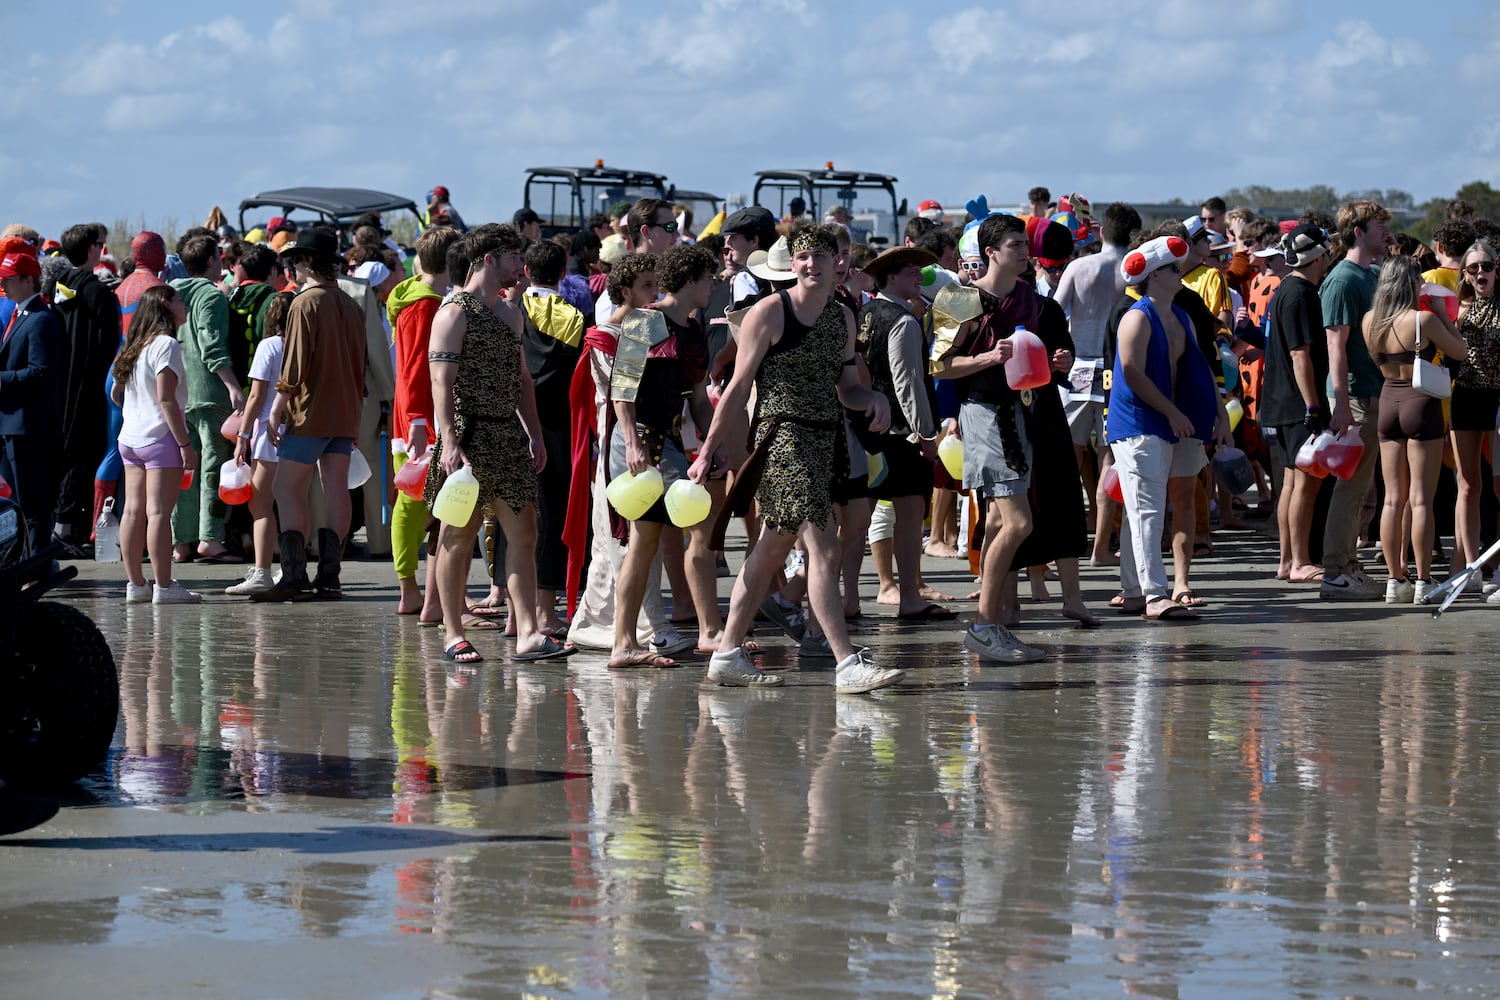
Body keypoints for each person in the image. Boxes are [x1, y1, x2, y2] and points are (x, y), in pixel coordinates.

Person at [691, 224, 903, 693]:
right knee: (825, 547)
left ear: (837, 263)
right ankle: (847, 663)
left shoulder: (842, 318)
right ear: (793, 263)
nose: (811, 265)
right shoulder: (769, 312)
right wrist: (709, 449)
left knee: (769, 550)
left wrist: (873, 398)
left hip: (824, 437)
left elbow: (846, 386)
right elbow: (738, 388)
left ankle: (727, 654)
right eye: (802, 257)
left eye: (820, 257)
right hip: (782, 437)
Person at [425, 224, 572, 665]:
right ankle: (453, 632)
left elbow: (523, 380)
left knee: (524, 531)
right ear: (489, 259)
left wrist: (535, 432)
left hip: (507, 432)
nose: (520, 266)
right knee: (458, 535)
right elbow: (440, 381)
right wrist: (449, 441)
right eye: (513, 257)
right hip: (468, 435)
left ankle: (528, 631)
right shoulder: (453, 313)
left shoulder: (511, 312)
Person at [932, 214, 1045, 663]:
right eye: (1016, 244)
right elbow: (940, 365)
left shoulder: (1026, 296)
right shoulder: (959, 298)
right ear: (991, 252)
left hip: (1018, 411)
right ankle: (982, 625)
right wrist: (986, 358)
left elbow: (1024, 361)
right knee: (1019, 523)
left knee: (999, 522)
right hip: (982, 413)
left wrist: (1049, 363)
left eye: (1025, 243)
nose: (1024, 250)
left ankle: (992, 623)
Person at [605, 245, 721, 667]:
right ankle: (705, 631)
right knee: (673, 531)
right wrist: (633, 443)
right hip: (639, 441)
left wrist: (712, 443)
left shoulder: (693, 329)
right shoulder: (643, 320)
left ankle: (627, 643)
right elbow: (622, 387)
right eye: (709, 278)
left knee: (647, 542)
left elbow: (699, 400)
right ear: (690, 280)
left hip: (667, 440)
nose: (714, 285)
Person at [1106, 235, 1223, 621]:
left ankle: (1134, 590)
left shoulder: (1181, 315)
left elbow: (1201, 367)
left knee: (1141, 508)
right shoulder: (1136, 316)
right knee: (1146, 510)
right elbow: (1132, 373)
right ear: (1154, 276)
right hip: (1140, 423)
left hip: (1172, 420)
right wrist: (1171, 411)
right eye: (1173, 268)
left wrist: (1219, 413)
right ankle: (1156, 594)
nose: (1181, 272)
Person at [253, 227, 366, 602]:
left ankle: (294, 574)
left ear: (306, 263)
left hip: (310, 411)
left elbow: (295, 363)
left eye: (296, 260)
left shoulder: (305, 303)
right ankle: (329, 576)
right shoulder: (351, 305)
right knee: (337, 487)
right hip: (346, 408)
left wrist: (277, 408)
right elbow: (360, 363)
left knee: (286, 487)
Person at [1364, 256, 1467, 603]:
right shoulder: (1424, 319)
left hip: (1388, 402)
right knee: (1421, 499)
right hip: (1420, 402)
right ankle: (1423, 580)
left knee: (1392, 500)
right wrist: (1440, 313)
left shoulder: (1369, 321)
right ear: (1411, 284)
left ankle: (1395, 580)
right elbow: (1461, 351)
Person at [856, 245, 950, 620]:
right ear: (891, 277)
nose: (919, 275)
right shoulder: (903, 320)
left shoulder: (864, 313)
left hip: (866, 428)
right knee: (911, 516)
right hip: (900, 432)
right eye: (911, 270)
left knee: (859, 520)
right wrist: (926, 435)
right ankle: (909, 593)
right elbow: (907, 382)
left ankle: (851, 598)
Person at [1055, 202, 1141, 566]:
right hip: (1114, 371)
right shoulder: (1133, 272)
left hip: (1076, 368)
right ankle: (1100, 546)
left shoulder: (1079, 266)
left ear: (1101, 231)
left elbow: (1055, 313)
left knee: (1066, 461)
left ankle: (1061, 545)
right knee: (1109, 459)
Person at [387, 227, 462, 618]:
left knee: (420, 503)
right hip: (420, 419)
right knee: (417, 503)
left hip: (413, 415)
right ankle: (413, 590)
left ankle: (420, 590)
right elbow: (418, 368)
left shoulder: (416, 297)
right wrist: (419, 419)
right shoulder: (427, 305)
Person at [110, 285, 201, 605]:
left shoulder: (136, 343)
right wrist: (185, 444)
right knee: (160, 512)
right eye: (178, 298)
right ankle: (164, 586)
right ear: (165, 304)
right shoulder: (166, 344)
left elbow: (115, 393)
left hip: (130, 437)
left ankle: (136, 584)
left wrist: (134, 407)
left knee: (133, 510)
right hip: (160, 436)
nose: (184, 303)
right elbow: (166, 400)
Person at [1319, 200, 1390, 600]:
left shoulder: (1373, 273)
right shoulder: (1342, 280)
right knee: (1350, 488)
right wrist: (1342, 403)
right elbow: (1336, 347)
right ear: (1358, 230)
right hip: (1357, 396)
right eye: (1378, 223)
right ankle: (1335, 571)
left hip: (1374, 392)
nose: (1385, 230)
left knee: (1363, 488)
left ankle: (1347, 563)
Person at [1260, 225, 1336, 584]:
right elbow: (1300, 354)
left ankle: (1288, 560)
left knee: (1291, 483)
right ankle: (1301, 561)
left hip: (1282, 401)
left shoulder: (1286, 289)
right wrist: (1314, 406)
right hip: (1297, 404)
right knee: (1305, 484)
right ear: (1319, 257)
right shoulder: (1301, 293)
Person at [519, 238, 585, 635]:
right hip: (558, 426)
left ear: (526, 271)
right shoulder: (574, 318)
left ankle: (511, 608)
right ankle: (546, 609)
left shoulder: (511, 311)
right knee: (552, 515)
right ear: (563, 273)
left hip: (515, 422)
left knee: (514, 515)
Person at [167, 234, 245, 564]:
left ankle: (180, 542)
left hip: (178, 392)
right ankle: (210, 539)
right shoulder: (210, 297)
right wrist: (233, 386)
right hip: (209, 393)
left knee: (184, 471)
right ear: (212, 261)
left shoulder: (171, 295)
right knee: (212, 467)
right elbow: (211, 344)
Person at [51, 223, 122, 556]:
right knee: (83, 455)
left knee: (63, 453)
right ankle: (68, 528)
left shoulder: (57, 287)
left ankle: (61, 524)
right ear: (93, 249)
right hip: (90, 384)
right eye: (101, 244)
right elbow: (109, 345)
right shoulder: (99, 293)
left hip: (58, 382)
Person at [0, 248, 61, 551]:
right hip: (13, 423)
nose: (4, 285)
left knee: (31, 501)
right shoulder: (21, 314)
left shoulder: (39, 319)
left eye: (8, 280)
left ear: (27, 280)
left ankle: (36, 562)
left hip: (27, 425)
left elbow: (40, 373)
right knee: (18, 501)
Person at [1450, 239, 1500, 598]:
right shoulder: (1456, 308)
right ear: (1464, 274)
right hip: (1465, 397)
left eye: (1487, 266)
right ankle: (1472, 566)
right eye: (1473, 268)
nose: (1480, 272)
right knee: (1467, 485)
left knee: (1499, 487)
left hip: (1498, 398)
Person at [594, 198, 678, 325]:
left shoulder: (677, 283)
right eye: (670, 227)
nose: (676, 234)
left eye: (676, 227)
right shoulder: (616, 296)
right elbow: (609, 340)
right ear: (646, 231)